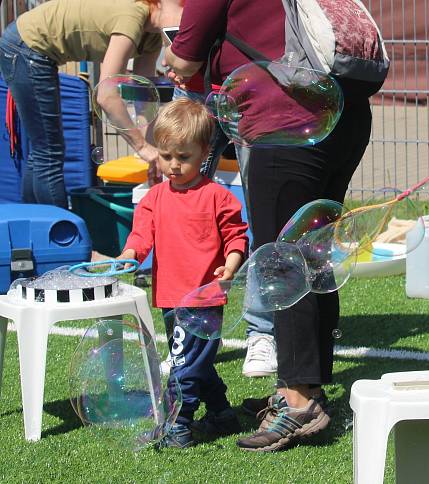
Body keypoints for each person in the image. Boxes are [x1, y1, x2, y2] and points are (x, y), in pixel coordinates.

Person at [163, 0, 373, 451]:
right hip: (341, 110)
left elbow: (184, 56)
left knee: (284, 258)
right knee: (311, 247)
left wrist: (174, 60)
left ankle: (298, 400)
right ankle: (306, 387)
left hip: (283, 113)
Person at [119, 98, 248, 448]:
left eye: (183, 157)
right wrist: (130, 254)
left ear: (205, 152)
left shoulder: (218, 197)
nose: (173, 165)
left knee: (184, 365)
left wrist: (230, 266)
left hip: (205, 297)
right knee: (193, 360)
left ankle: (179, 425)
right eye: (166, 156)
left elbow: (237, 237)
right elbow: (141, 236)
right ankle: (222, 415)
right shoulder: (154, 198)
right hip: (170, 297)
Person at [0, 0, 183, 208]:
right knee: (49, 152)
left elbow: (143, 96)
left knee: (44, 151)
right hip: (24, 46)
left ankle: (34, 223)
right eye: (185, 8)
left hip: (31, 48)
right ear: (160, 3)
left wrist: (154, 153)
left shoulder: (151, 38)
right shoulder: (132, 17)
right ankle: (61, 233)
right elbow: (105, 95)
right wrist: (142, 147)